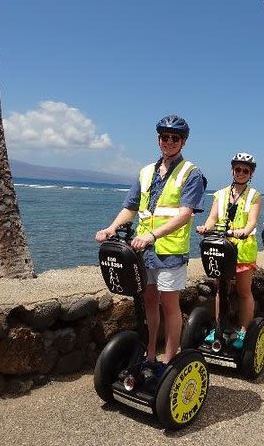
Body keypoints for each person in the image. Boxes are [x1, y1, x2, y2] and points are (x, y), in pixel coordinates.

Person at [95, 114, 206, 373]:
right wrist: (111, 228)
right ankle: (150, 353)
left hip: (170, 253)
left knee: (169, 305)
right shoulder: (145, 172)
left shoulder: (191, 173)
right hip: (143, 253)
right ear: (158, 139)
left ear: (183, 141)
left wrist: (153, 235)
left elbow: (185, 213)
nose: (169, 141)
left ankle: (169, 360)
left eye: (174, 138)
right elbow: (130, 208)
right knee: (148, 302)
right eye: (164, 137)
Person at [196, 152, 262, 349]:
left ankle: (243, 331)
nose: (241, 173)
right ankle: (218, 328)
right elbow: (212, 217)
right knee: (220, 291)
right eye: (238, 169)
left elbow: (252, 222)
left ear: (251, 173)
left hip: (242, 248)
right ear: (232, 170)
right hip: (221, 246)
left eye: (245, 170)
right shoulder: (221, 194)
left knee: (243, 291)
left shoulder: (254, 195)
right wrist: (205, 227)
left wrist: (243, 232)